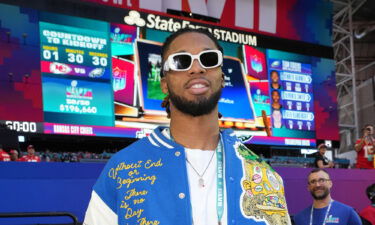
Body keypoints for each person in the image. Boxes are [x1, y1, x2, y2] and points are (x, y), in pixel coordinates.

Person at [84, 28, 292, 225]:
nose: (196, 68)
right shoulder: (121, 167)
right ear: (164, 83)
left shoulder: (264, 175)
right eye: (181, 61)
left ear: (222, 77)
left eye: (208, 59)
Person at [294, 168, 362, 225]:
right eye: (313, 181)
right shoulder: (299, 218)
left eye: (322, 180)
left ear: (330, 184)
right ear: (308, 187)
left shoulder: (348, 213)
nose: (317, 185)